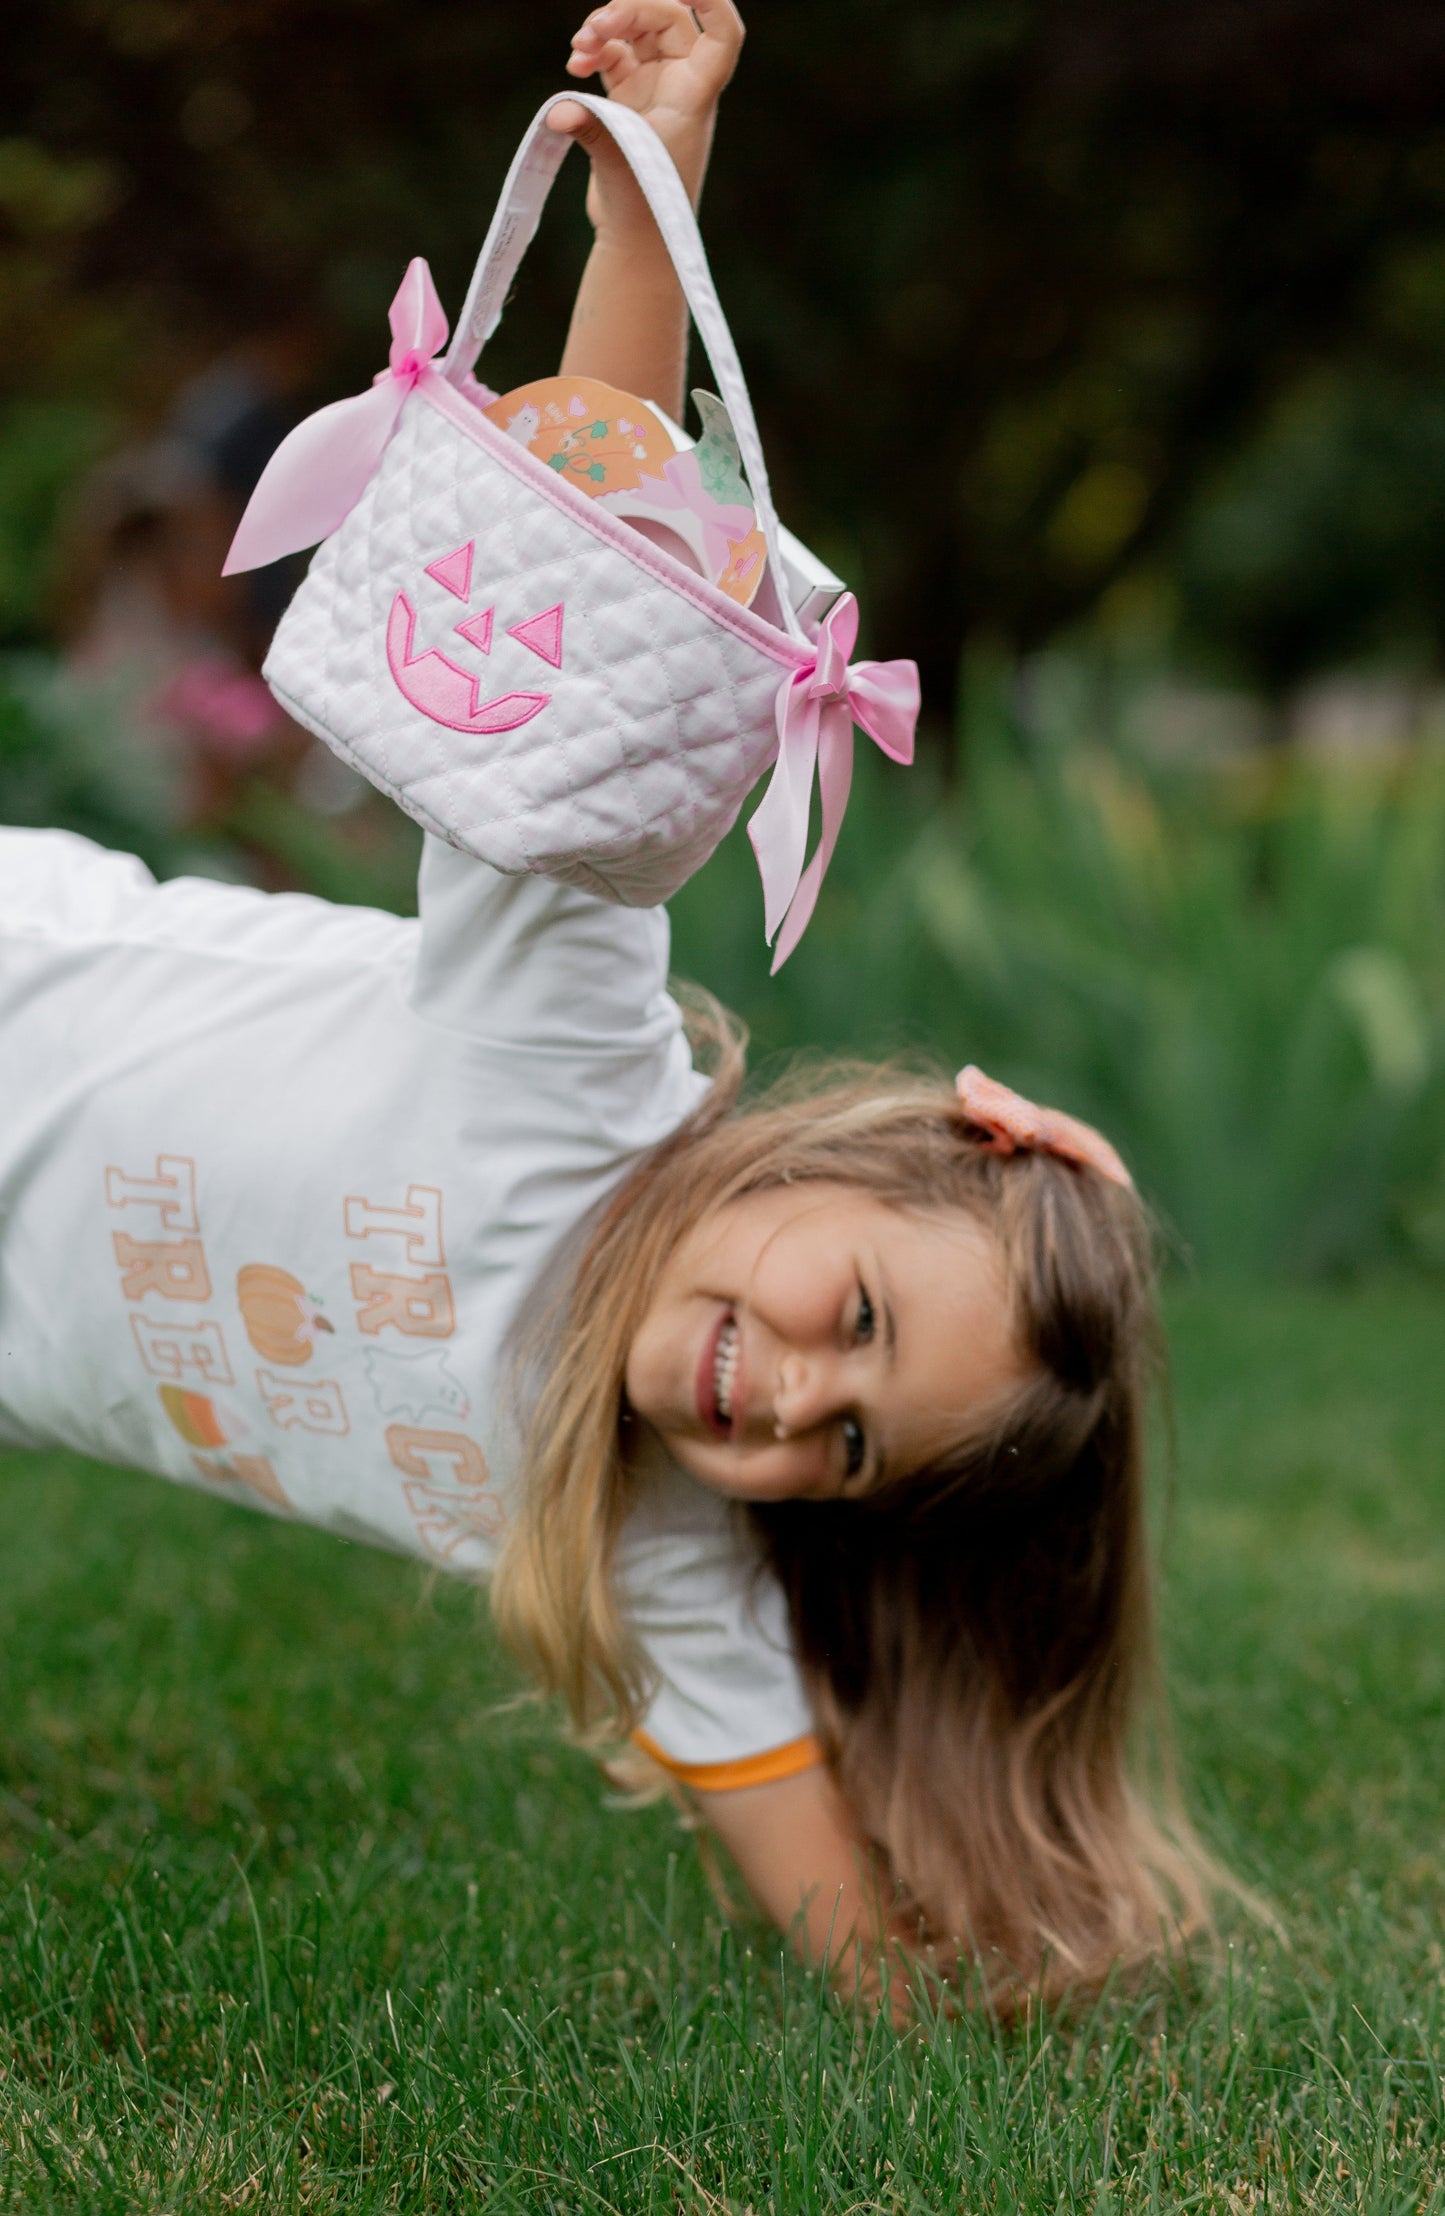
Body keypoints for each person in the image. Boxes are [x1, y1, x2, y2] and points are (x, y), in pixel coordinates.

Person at [0, 0, 1212, 2007]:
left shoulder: (641, 1522)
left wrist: (932, 1985)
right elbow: (589, 574)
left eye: (846, 1449)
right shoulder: (563, 1072)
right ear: (867, 1159)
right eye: (860, 1316)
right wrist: (654, 193)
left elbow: (818, 1876)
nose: (791, 1399)